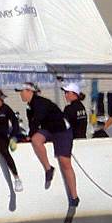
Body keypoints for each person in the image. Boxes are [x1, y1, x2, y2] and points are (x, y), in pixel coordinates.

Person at [18, 82, 79, 213]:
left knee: (65, 162)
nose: (20, 94)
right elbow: (32, 123)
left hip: (62, 130)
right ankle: (48, 168)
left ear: (29, 91)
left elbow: (37, 120)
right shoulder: (29, 107)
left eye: (21, 91)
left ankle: (74, 196)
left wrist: (29, 134)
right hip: (49, 130)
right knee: (36, 140)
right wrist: (30, 136)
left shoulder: (40, 103)